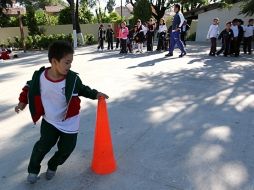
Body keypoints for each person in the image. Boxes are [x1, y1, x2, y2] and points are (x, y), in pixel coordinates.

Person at [14, 41, 109, 184]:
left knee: (67, 149)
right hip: (50, 121)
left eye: (71, 63)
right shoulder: (40, 77)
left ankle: (53, 165)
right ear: (54, 61)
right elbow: (29, 87)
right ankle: (33, 170)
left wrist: (96, 94)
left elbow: (83, 89)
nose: (69, 66)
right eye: (67, 62)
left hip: (70, 122)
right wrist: (22, 103)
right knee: (42, 146)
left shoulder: (73, 79)